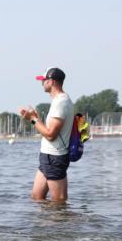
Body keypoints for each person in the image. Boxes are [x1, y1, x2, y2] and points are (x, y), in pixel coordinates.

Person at [19, 67, 74, 202]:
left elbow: (51, 135)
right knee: (37, 197)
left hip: (55, 157)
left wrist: (33, 119)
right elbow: (50, 130)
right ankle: (46, 223)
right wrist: (35, 118)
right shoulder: (58, 101)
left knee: (59, 203)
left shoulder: (61, 102)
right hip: (47, 156)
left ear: (52, 82)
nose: (42, 83)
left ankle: (62, 223)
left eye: (43, 80)